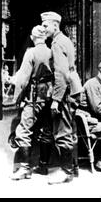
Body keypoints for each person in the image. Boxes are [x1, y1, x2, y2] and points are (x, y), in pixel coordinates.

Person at [10, 25, 54, 180]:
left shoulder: (31, 53)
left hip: (34, 98)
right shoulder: (52, 51)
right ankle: (43, 166)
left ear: (32, 37)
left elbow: (23, 79)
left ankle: (25, 168)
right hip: (50, 97)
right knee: (46, 131)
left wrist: (17, 99)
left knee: (23, 131)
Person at [41, 11, 77, 184]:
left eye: (46, 25)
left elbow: (61, 74)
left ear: (55, 25)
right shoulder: (66, 41)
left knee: (63, 132)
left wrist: (56, 99)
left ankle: (66, 172)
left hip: (63, 94)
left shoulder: (57, 43)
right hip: (69, 92)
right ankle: (72, 169)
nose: (44, 29)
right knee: (69, 130)